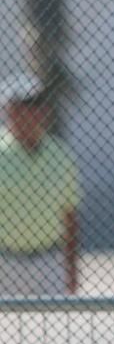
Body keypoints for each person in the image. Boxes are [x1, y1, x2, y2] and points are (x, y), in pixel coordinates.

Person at [0, 73, 81, 295]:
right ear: (9, 112)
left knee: (52, 327)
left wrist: (71, 269)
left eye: (37, 104)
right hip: (4, 260)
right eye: (24, 105)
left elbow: (70, 215)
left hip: (49, 261)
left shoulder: (60, 155)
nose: (33, 112)